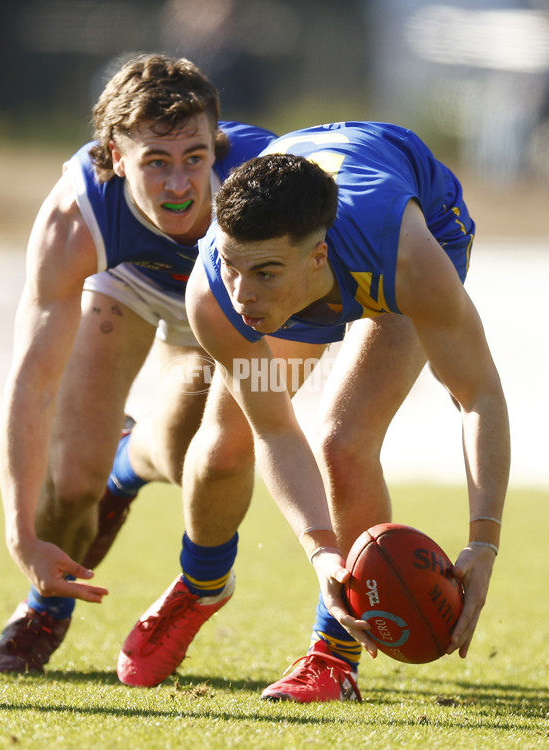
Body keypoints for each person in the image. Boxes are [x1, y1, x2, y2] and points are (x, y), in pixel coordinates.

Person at [115, 122, 510, 702]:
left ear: (318, 254)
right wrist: (321, 550)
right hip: (317, 242)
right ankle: (201, 585)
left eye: (264, 273)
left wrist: (483, 541)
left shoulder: (407, 260)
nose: (243, 294)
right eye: (231, 264)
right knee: (226, 446)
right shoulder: (218, 294)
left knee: (343, 444)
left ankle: (333, 659)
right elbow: (273, 428)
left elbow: (479, 396)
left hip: (402, 229)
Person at [0, 53, 276, 674]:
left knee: (182, 458)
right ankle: (43, 608)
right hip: (126, 289)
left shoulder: (263, 184)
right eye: (155, 162)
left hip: (225, 300)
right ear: (116, 158)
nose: (179, 186)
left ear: (216, 145)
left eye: (195, 158)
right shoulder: (76, 216)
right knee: (70, 482)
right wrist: (19, 531)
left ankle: (131, 456)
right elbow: (33, 381)